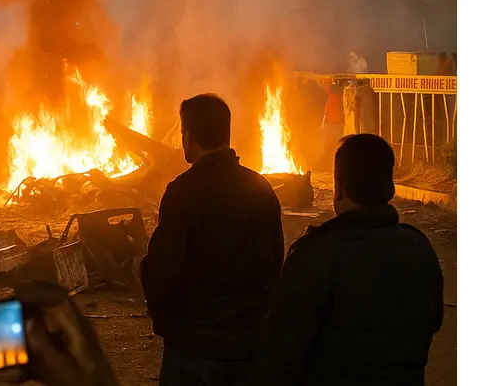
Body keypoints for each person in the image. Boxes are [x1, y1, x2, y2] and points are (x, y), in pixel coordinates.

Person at [253, 134, 444, 385]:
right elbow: (432, 322)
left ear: (340, 188)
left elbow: (281, 353)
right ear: (390, 187)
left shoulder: (314, 255)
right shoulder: (420, 249)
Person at [140, 93, 284, 386]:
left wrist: (165, 321)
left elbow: (163, 271)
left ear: (188, 135)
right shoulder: (260, 188)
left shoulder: (183, 192)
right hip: (248, 346)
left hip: (193, 350)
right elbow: (274, 264)